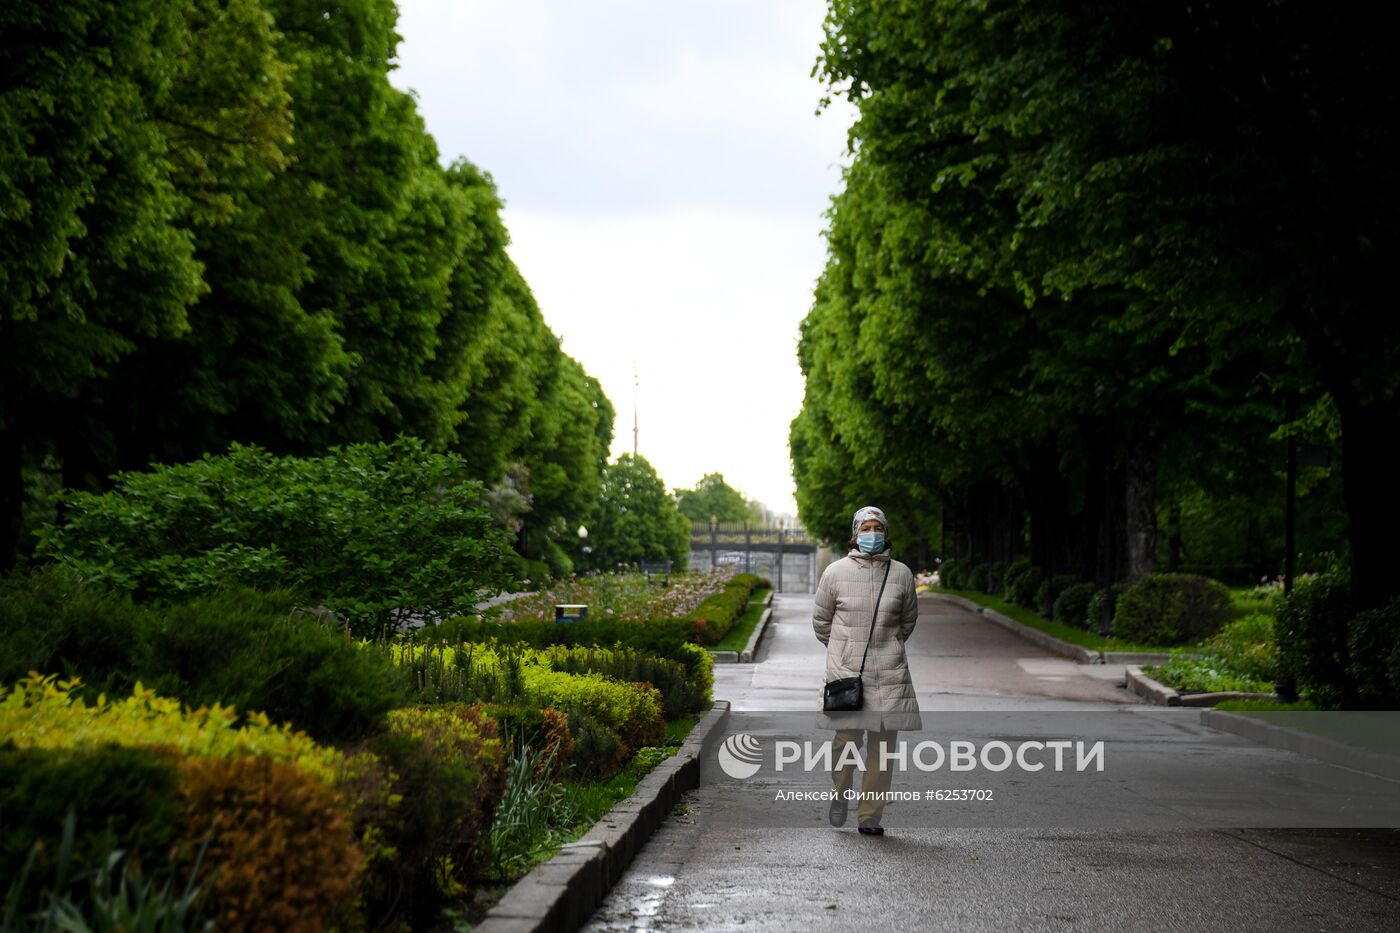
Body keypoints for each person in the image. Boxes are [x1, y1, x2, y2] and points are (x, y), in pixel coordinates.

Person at [812, 505, 922, 835]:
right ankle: (840, 793)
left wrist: (888, 647)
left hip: (889, 673)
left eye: (877, 527)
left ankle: (869, 815)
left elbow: (908, 621)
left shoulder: (901, 574)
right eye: (866, 528)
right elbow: (821, 622)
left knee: (883, 749)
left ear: (885, 533)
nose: (872, 533)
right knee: (845, 742)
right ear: (855, 534)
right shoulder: (834, 573)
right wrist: (843, 650)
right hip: (848, 674)